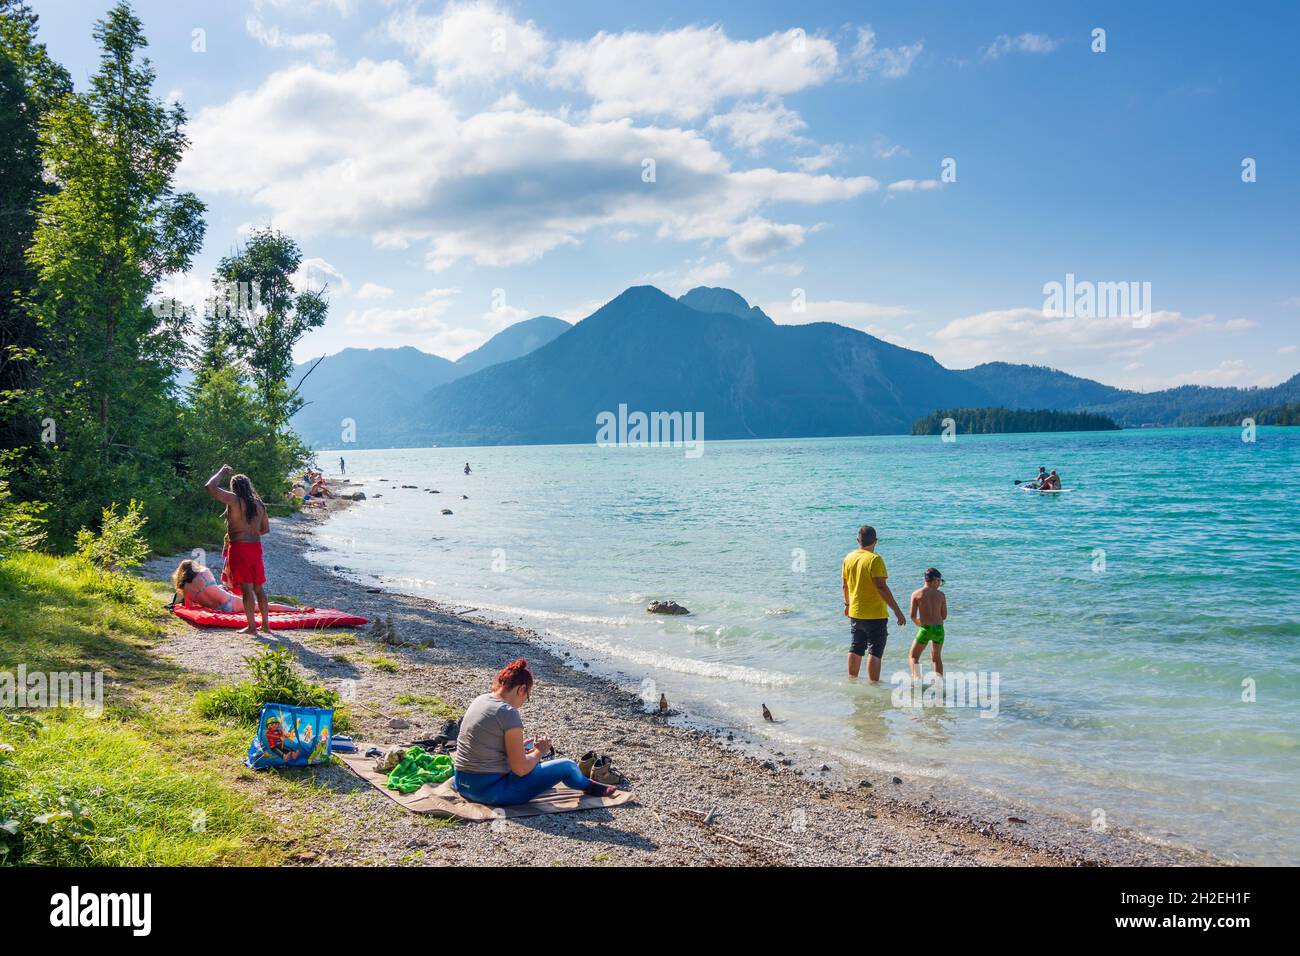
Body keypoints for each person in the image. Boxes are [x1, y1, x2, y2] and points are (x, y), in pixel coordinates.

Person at [453, 659, 616, 805]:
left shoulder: (481, 700)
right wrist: (539, 751)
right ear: (521, 689)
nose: (524, 702)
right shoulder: (508, 712)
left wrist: (520, 748)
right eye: (527, 697)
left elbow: (487, 746)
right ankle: (589, 786)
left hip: (462, 784)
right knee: (568, 766)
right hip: (490, 792)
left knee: (533, 760)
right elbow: (520, 769)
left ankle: (587, 783)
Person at [204, 464, 272, 635]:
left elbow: (210, 487)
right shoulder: (259, 504)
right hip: (256, 548)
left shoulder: (234, 500)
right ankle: (266, 625)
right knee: (259, 588)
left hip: (240, 548)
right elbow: (265, 529)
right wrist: (251, 531)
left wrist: (221, 472)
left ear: (234, 488)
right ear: (249, 486)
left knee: (247, 589)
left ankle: (251, 627)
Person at [842, 524, 907, 681]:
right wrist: (897, 611)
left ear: (858, 540)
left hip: (855, 612)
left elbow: (845, 585)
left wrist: (847, 604)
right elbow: (881, 587)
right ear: (875, 541)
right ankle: (873, 686)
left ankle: (852, 681)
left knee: (855, 647)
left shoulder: (849, 558)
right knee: (875, 651)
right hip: (875, 614)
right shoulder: (875, 559)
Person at [172, 559, 297, 614]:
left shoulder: (185, 588)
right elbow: (214, 587)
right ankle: (297, 611)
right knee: (264, 606)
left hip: (216, 609)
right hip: (228, 602)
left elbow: (189, 607)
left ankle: (294, 610)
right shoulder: (204, 573)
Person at [908, 568, 949, 679]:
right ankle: (940, 682)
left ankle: (917, 679)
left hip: (925, 629)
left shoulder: (916, 594)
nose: (940, 584)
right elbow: (944, 616)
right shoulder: (941, 595)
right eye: (940, 581)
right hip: (939, 630)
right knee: (936, 658)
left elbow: (912, 616)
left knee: (913, 656)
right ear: (935, 580)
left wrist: (920, 625)